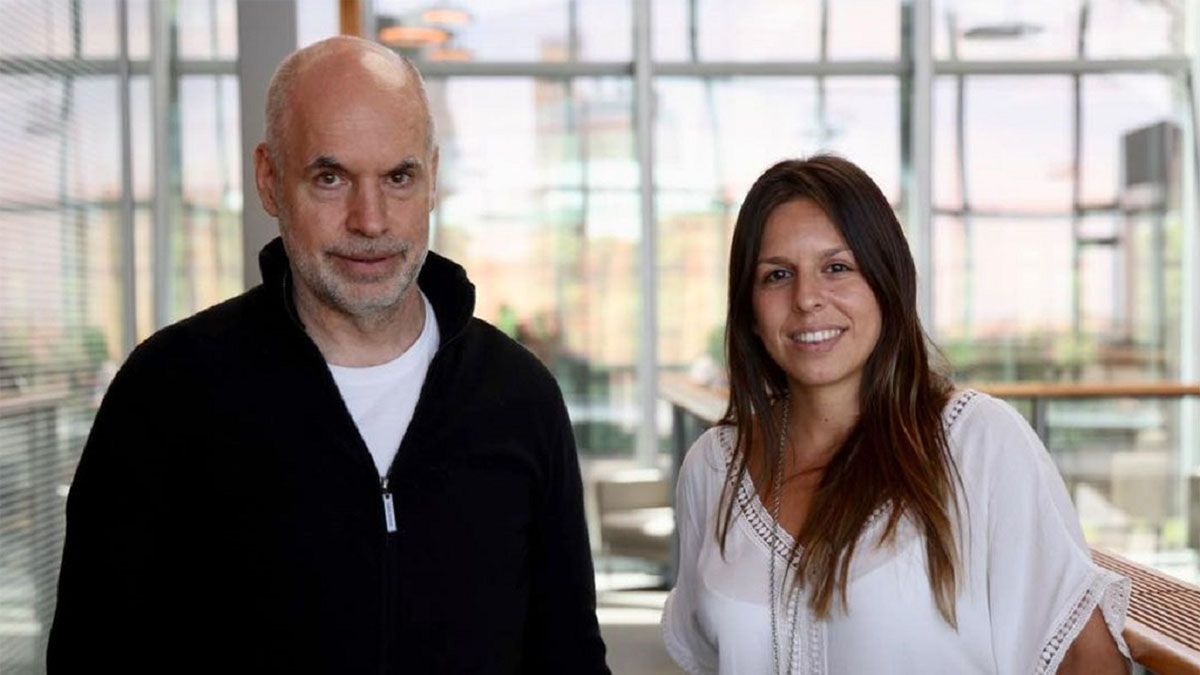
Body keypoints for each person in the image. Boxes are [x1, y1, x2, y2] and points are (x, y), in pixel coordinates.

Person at [48, 36, 609, 673]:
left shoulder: (519, 396)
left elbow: (569, 655)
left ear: (432, 180)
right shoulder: (167, 394)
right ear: (269, 180)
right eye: (331, 177)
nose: (370, 221)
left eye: (399, 178)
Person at [662, 155, 1130, 674]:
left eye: (837, 268)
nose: (807, 299)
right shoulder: (712, 468)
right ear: (749, 311)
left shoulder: (977, 445)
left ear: (887, 281)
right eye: (776, 275)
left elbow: (1088, 660)